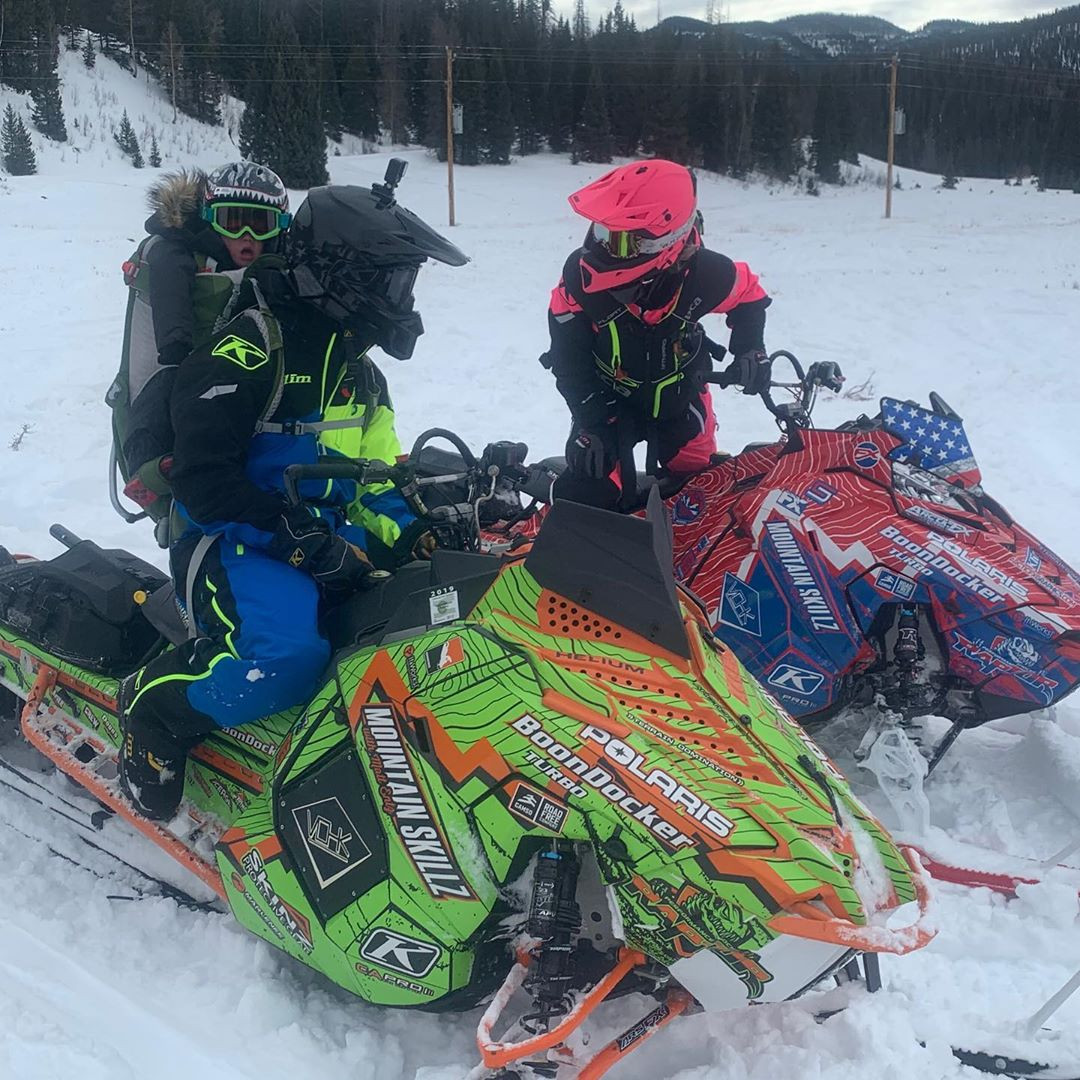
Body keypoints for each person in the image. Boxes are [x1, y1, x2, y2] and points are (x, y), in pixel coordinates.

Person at [118, 180, 464, 822]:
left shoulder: (359, 370)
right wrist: (296, 540)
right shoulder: (249, 350)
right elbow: (201, 482)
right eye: (389, 281)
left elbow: (374, 477)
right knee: (287, 662)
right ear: (341, 273)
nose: (400, 298)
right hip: (236, 541)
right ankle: (156, 709)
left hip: (321, 539)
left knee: (439, 618)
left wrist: (418, 533)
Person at [540, 159, 772, 509]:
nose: (603, 249)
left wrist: (750, 350)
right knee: (586, 496)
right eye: (601, 232)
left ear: (666, 243)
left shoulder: (708, 275)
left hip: (682, 398)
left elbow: (750, 296)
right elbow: (568, 361)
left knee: (703, 492)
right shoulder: (578, 282)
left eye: (620, 242)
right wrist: (592, 421)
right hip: (606, 405)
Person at [116, 161, 292, 511]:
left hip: (246, 396)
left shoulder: (279, 267)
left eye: (261, 225)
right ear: (209, 218)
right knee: (168, 386)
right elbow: (170, 317)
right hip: (178, 388)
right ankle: (154, 471)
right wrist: (176, 343)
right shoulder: (176, 255)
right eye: (232, 221)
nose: (247, 236)